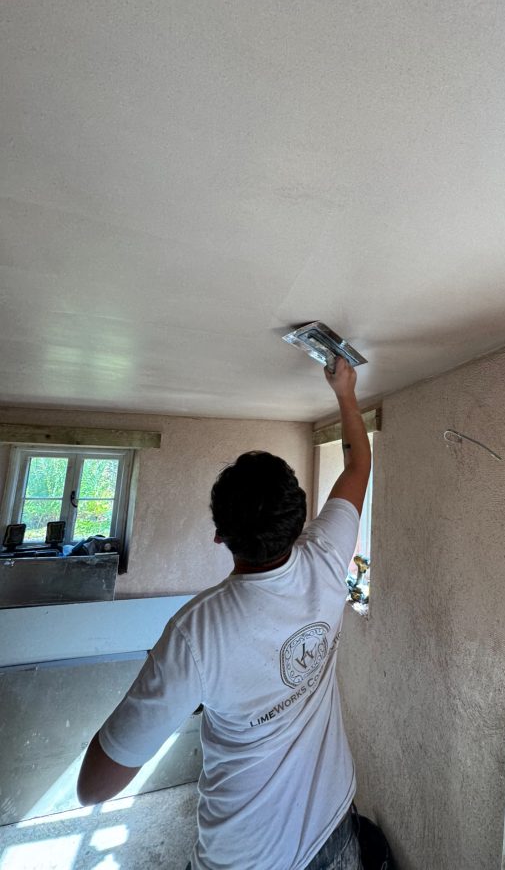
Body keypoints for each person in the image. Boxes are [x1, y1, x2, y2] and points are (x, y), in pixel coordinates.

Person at [77, 356, 371, 870]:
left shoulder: (196, 633)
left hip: (248, 858)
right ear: (299, 519)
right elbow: (357, 466)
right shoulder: (327, 559)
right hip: (337, 825)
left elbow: (92, 788)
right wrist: (345, 391)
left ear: (219, 535)